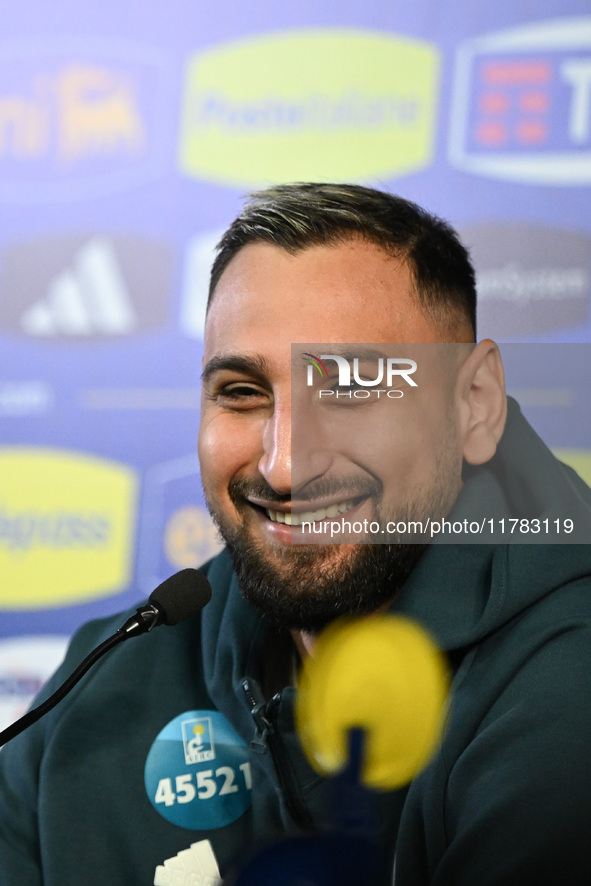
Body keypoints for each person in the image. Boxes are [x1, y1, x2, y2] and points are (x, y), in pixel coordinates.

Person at [1, 183, 591, 886]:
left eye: (347, 387)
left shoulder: (569, 679)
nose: (284, 466)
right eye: (242, 393)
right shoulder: (104, 677)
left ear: (474, 406)